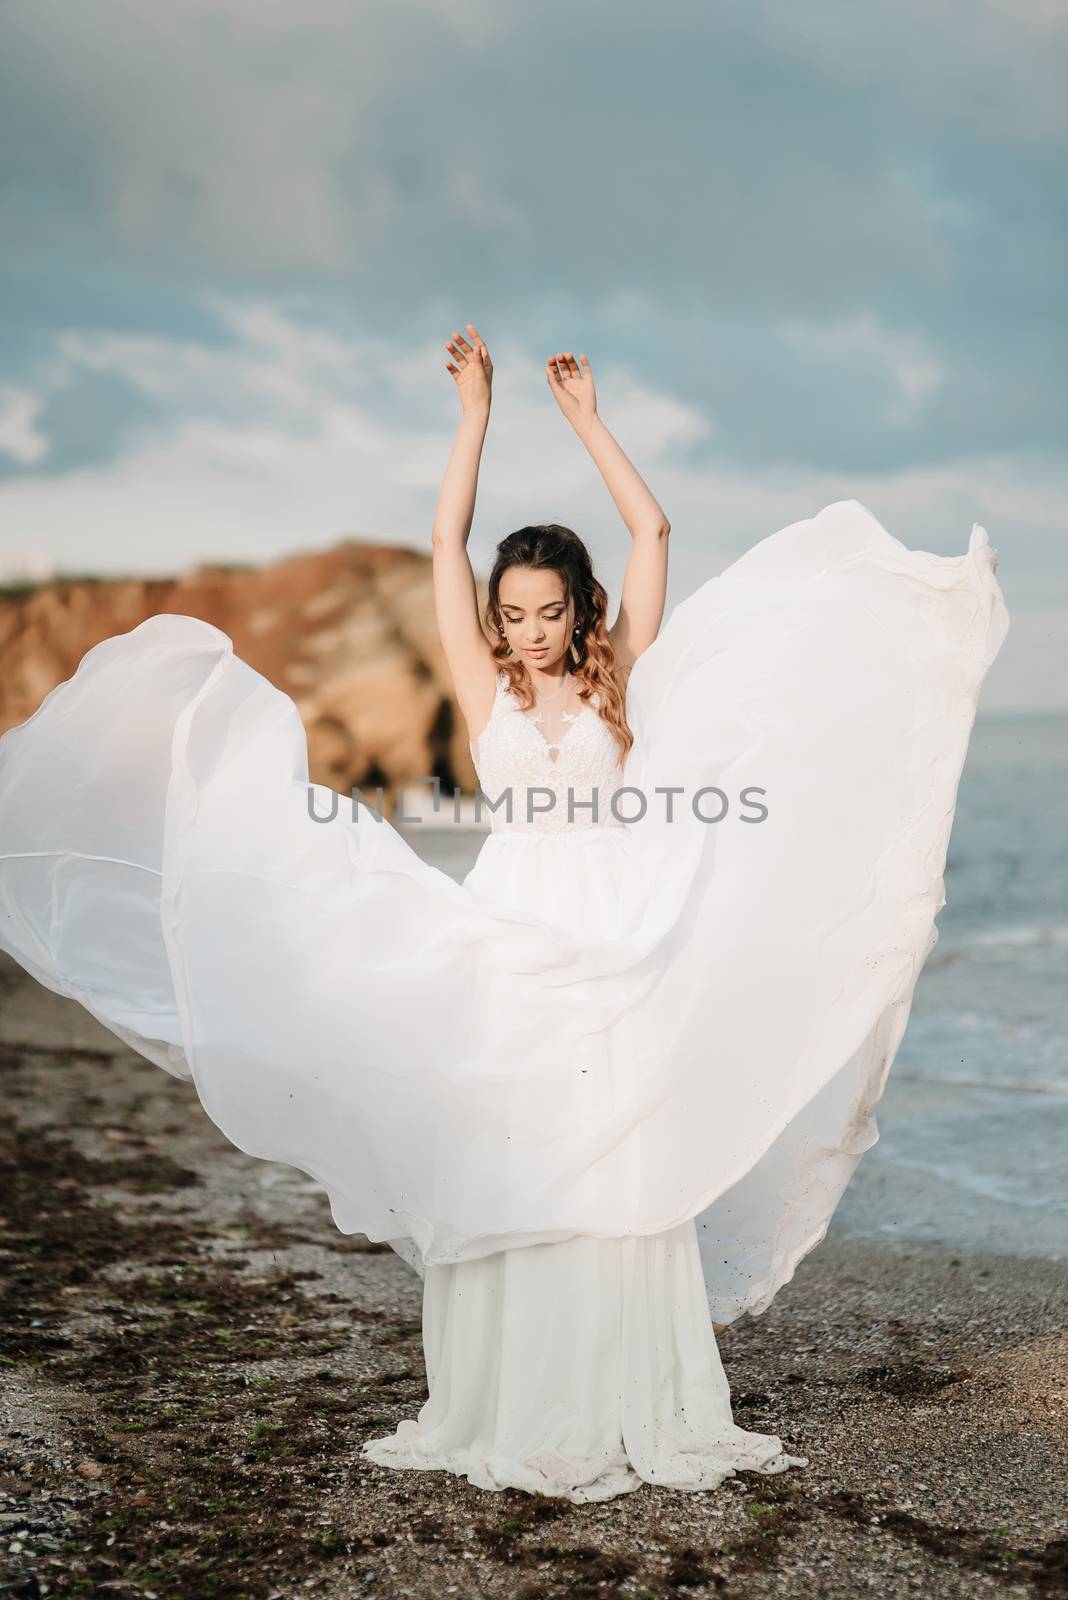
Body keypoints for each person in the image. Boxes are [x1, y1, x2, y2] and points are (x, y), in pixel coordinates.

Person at [0, 325, 1008, 1504]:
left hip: (619, 929)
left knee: (618, 1157)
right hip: (513, 928)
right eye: (512, 612)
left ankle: (625, 1391)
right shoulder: (485, 684)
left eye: (545, 612)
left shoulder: (614, 674)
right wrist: (473, 413)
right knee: (515, 1150)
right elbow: (444, 539)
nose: (526, 629)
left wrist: (586, 422)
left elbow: (654, 533)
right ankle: (512, 1393)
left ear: (575, 609)